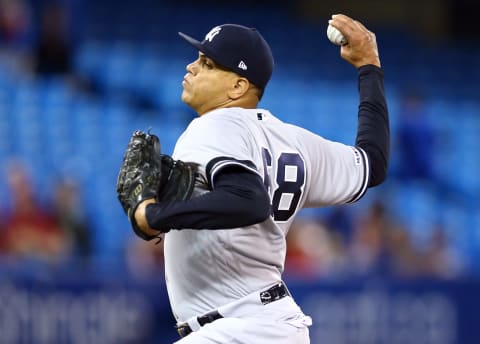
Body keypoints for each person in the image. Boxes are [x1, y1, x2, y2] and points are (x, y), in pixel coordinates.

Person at [131, 14, 389, 343]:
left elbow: (248, 200)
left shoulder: (213, 126)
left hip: (238, 327)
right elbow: (373, 163)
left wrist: (152, 216)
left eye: (207, 63)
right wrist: (369, 67)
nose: (191, 68)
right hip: (272, 325)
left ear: (238, 85)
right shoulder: (294, 141)